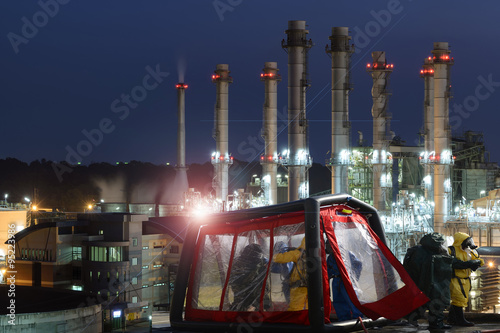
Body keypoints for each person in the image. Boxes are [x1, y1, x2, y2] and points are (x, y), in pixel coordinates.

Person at [403, 232, 453, 329]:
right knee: (437, 303)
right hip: (432, 283)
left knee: (423, 303)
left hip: (418, 283)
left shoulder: (418, 250)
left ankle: (412, 319)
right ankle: (436, 324)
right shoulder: (435, 253)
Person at [447, 232, 484, 326]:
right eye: (467, 242)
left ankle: (451, 319)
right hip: (455, 279)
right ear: (460, 242)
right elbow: (454, 263)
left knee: (461, 299)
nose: (468, 244)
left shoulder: (468, 251)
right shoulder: (451, 250)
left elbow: (481, 261)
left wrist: (476, 260)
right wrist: (469, 263)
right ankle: (460, 321)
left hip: (466, 279)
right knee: (458, 299)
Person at [229, 243, 269, 311]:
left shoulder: (239, 261)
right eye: (258, 254)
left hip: (242, 287)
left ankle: (260, 308)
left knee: (241, 303)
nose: (259, 256)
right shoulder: (250, 263)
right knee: (243, 303)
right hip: (243, 287)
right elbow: (248, 278)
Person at [273, 237, 308, 311]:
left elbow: (278, 258)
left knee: (295, 309)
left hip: (299, 287)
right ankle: (309, 322)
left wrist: (276, 254)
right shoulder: (319, 255)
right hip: (315, 288)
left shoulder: (298, 253)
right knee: (312, 310)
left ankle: (295, 322)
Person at [327, 251, 363, 321]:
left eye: (328, 244)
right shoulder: (330, 258)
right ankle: (343, 319)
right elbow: (328, 272)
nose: (326, 247)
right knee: (338, 301)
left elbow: (358, 264)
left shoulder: (346, 253)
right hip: (336, 281)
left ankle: (358, 318)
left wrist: (354, 278)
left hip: (346, 280)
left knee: (351, 299)